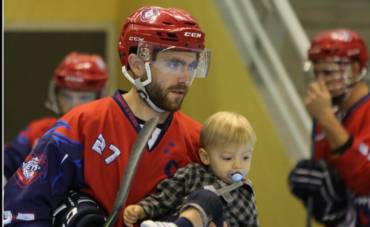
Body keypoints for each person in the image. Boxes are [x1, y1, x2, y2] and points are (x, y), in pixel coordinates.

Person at [3, 6, 211, 227]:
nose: (185, 78)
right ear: (137, 65)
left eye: (192, 64)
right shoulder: (78, 127)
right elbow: (20, 212)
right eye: (174, 63)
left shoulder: (200, 142)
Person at [288, 28, 370, 227]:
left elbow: (369, 178)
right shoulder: (330, 116)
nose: (320, 82)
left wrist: (325, 117)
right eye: (317, 73)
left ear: (355, 70)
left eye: (328, 72)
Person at [123, 111, 259, 227]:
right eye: (228, 158)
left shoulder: (245, 192)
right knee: (208, 197)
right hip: (176, 220)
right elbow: (164, 198)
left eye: (246, 157)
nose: (238, 165)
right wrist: (141, 209)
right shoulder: (193, 174)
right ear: (205, 157)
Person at [3, 51, 109, 181]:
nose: (73, 106)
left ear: (100, 97)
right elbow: (9, 159)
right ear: (56, 95)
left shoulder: (111, 140)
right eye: (67, 96)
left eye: (84, 97)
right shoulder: (37, 132)